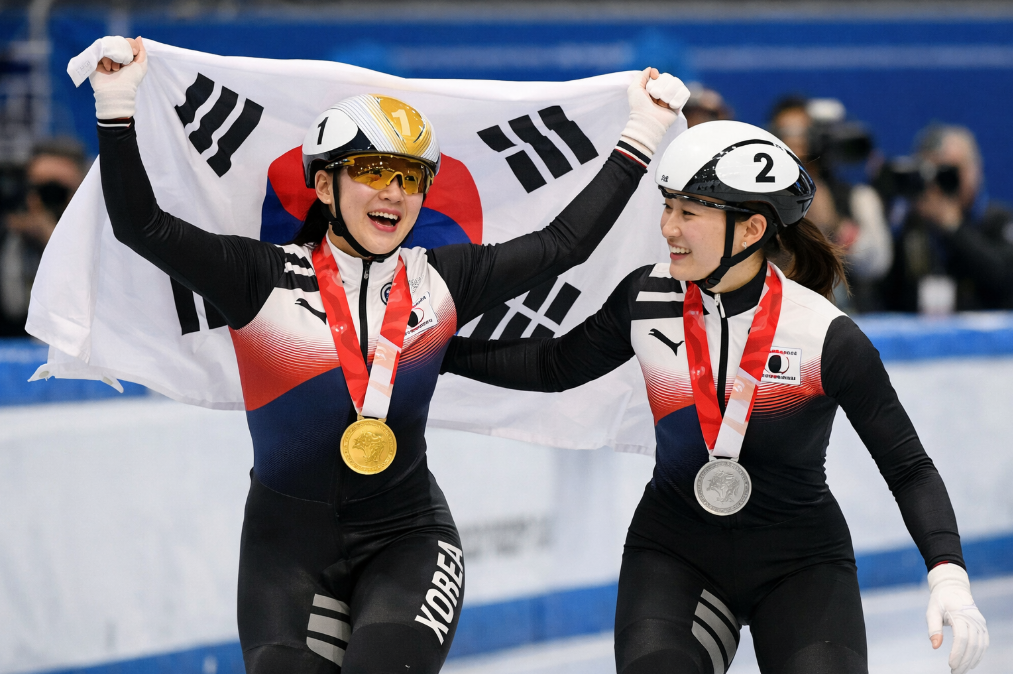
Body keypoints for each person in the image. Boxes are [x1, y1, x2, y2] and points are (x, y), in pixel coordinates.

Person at [84, 35, 689, 673]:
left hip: (408, 538)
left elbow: (563, 244)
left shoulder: (442, 281)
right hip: (285, 547)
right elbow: (140, 224)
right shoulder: (256, 276)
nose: (393, 194)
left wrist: (643, 131)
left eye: (410, 178)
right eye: (371, 172)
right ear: (323, 184)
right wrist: (117, 101)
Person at [442, 120, 989, 674]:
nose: (668, 227)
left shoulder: (824, 335)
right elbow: (553, 365)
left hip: (800, 564)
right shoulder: (645, 297)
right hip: (675, 554)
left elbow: (909, 467)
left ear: (750, 230)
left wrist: (947, 572)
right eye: (667, 206)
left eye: (688, 212)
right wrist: (435, 348)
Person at [769, 96, 891, 312]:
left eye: (804, 133)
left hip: (846, 315)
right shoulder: (758, 200)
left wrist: (836, 224)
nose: (797, 143)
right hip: (779, 313)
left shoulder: (857, 197)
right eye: (787, 133)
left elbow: (877, 263)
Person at [881, 123, 1013, 313]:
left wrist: (953, 226)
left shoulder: (999, 221)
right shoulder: (910, 226)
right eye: (929, 173)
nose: (937, 187)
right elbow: (883, 289)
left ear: (972, 172)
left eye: (947, 173)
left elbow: (1003, 279)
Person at [0, 137, 86, 336]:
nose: (42, 200)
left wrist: (53, 240)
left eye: (56, 191)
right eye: (37, 189)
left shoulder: (109, 243)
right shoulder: (8, 233)